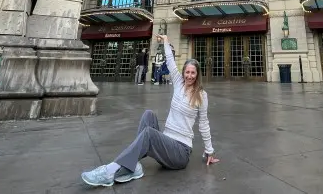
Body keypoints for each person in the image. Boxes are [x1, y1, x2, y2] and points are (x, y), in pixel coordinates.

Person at [81, 35, 219, 187]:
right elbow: (170, 60)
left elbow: (204, 124)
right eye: (187, 72)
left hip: (180, 152)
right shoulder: (179, 83)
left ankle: (110, 171)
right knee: (149, 115)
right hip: (167, 142)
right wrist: (166, 40)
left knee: (149, 134)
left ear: (197, 74)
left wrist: (209, 151)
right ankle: (132, 167)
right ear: (183, 72)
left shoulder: (201, 95)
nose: (190, 76)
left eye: (193, 73)